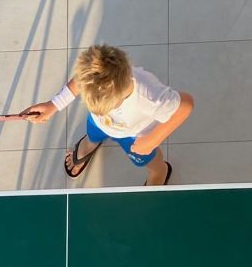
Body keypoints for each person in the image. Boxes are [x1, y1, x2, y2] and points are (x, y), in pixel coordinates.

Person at [21, 44, 193, 187]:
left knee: (151, 161)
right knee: (93, 132)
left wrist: (151, 141)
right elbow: (80, 79)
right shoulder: (96, 74)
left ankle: (159, 172)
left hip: (134, 135)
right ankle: (89, 144)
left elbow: (186, 105)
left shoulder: (150, 97)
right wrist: (54, 105)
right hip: (100, 124)